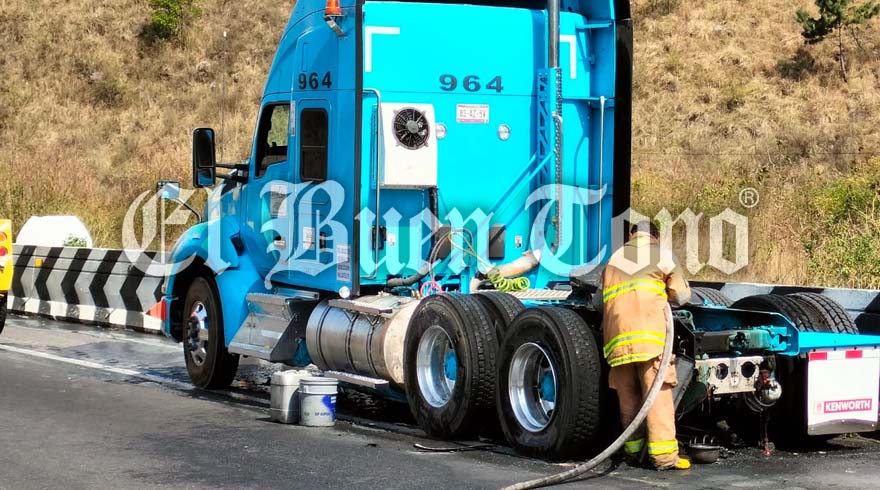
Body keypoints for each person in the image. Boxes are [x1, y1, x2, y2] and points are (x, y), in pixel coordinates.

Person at [601, 221, 692, 470]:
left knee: (628, 396)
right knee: (657, 395)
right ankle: (664, 458)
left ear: (632, 235)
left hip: (617, 341)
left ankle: (633, 452)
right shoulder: (661, 254)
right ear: (655, 235)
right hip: (650, 340)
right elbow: (681, 296)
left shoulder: (614, 259)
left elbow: (600, 301)